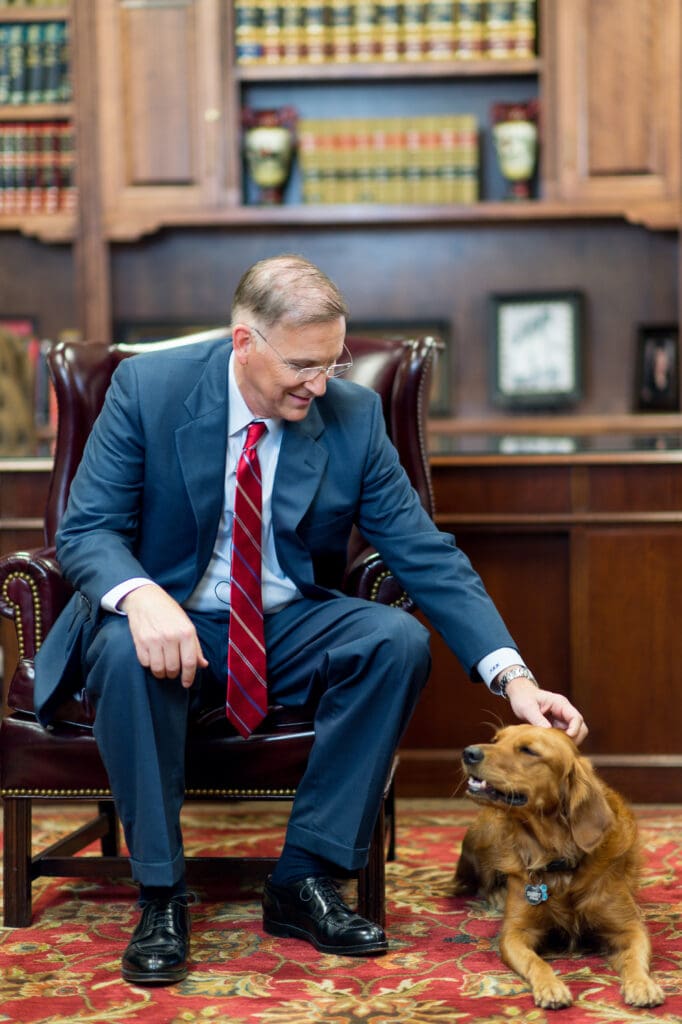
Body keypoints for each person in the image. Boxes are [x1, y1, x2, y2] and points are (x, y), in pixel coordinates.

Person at [35, 253, 587, 986]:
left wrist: (515, 680)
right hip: (165, 619)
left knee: (394, 640)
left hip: (282, 625)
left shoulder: (351, 416)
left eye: (334, 362)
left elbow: (427, 555)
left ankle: (304, 879)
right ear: (243, 342)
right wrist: (139, 596)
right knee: (123, 652)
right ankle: (161, 894)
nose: (320, 383)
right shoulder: (149, 389)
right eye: (302, 365)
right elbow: (85, 531)